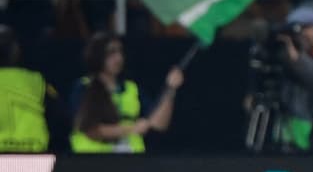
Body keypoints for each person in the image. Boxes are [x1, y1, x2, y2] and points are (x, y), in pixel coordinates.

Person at [246, 6, 313, 153]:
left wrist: (298, 61)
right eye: (297, 30)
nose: (302, 34)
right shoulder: (291, 50)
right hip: (296, 133)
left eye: (306, 28)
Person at [69, 32, 184, 153]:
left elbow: (158, 124)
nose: (119, 58)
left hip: (129, 163)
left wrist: (171, 89)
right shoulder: (84, 88)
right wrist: (132, 129)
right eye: (111, 53)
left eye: (120, 52)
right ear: (98, 56)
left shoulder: (132, 88)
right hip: (92, 161)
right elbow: (91, 129)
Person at [0, 24, 59, 152]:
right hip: (33, 155)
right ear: (15, 50)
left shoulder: (37, 81)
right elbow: (60, 118)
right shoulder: (37, 81)